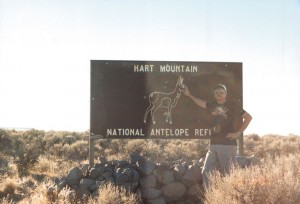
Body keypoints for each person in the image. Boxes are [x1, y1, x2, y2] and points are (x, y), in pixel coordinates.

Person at [183, 84, 252, 189]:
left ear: (226, 93)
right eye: (217, 92)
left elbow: (248, 117)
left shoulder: (233, 105)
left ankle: (229, 197)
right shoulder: (212, 104)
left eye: (221, 92)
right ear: (214, 94)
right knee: (206, 172)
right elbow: (201, 103)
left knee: (228, 174)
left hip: (228, 145)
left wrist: (238, 133)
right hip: (213, 144)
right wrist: (189, 95)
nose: (219, 94)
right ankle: (212, 197)